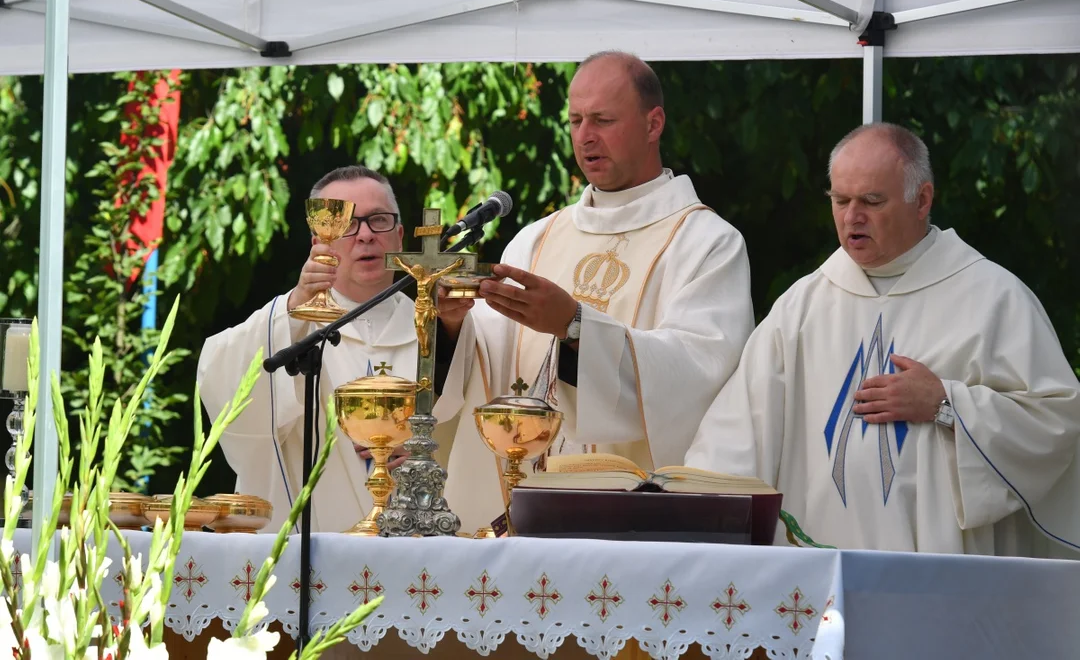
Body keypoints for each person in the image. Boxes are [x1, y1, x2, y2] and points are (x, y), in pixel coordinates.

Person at [684, 123, 1080, 557]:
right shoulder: (801, 307)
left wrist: (945, 405)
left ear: (922, 200)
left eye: (872, 201)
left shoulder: (992, 299)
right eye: (840, 200)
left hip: (941, 574)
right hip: (817, 577)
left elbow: (1055, 421)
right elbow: (736, 436)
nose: (852, 217)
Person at [435, 51, 755, 534]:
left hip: (632, 522)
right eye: (576, 120)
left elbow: (701, 376)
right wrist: (454, 325)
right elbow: (490, 365)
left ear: (654, 124)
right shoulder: (537, 238)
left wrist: (576, 327)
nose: (586, 136)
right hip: (516, 508)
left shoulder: (707, 243)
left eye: (603, 120)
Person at [197, 165, 462, 533]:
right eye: (347, 224)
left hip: (422, 553)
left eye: (379, 220)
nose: (366, 235)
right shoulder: (291, 327)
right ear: (319, 243)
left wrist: (420, 446)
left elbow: (469, 412)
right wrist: (293, 305)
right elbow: (220, 374)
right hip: (312, 556)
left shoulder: (443, 329)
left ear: (400, 235)